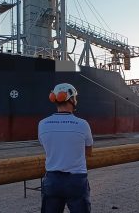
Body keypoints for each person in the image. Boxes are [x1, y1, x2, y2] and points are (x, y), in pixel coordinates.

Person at [38, 83, 93, 213]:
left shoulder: (42, 124)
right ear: (72, 99)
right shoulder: (83, 124)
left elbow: (47, 147)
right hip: (76, 180)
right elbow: (88, 152)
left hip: (52, 180)